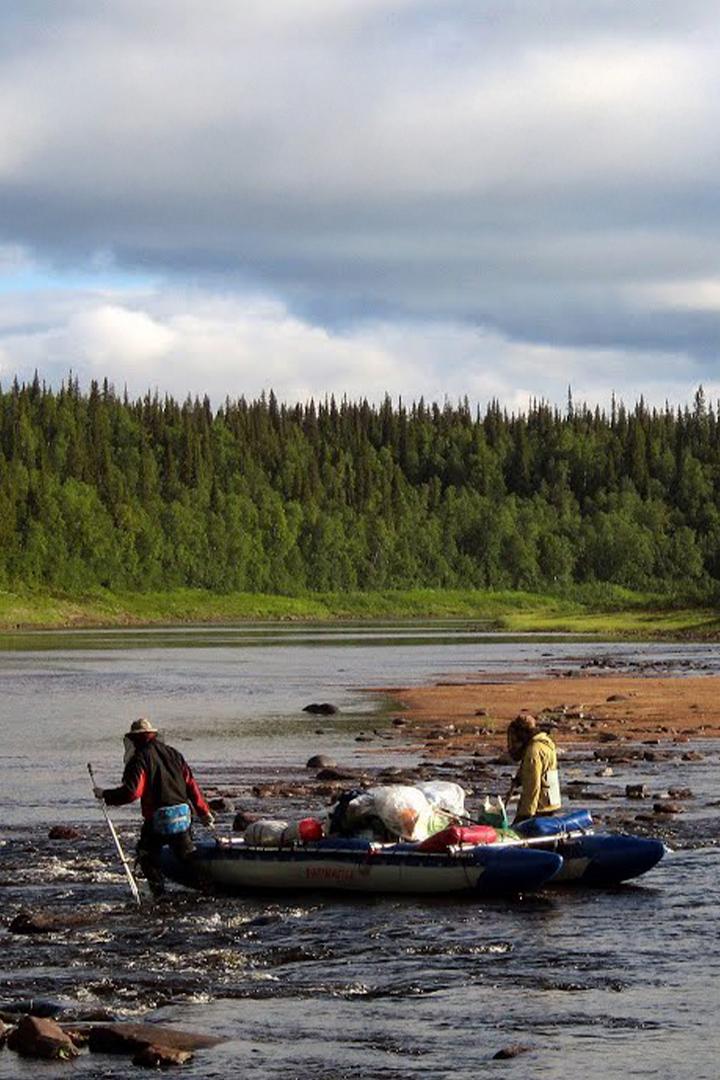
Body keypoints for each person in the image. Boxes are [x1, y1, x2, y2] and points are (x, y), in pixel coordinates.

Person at [94, 717, 214, 897]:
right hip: (183, 815)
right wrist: (204, 813)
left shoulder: (139, 758)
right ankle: (209, 890)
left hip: (158, 818)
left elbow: (132, 793)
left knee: (146, 855)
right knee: (187, 856)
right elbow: (192, 785)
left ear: (134, 739)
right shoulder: (174, 753)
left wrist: (105, 794)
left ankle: (159, 894)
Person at [506, 713, 562, 824]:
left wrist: (525, 815)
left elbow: (533, 786)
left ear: (523, 733)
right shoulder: (545, 743)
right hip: (552, 802)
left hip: (540, 807)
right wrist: (519, 778)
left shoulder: (533, 751)